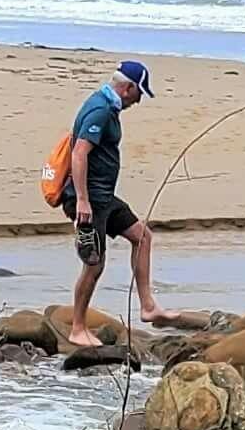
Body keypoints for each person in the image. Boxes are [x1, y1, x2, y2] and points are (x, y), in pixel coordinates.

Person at [60, 55, 173, 346]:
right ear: (128, 88)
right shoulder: (99, 110)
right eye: (139, 94)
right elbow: (79, 153)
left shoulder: (108, 107)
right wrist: (82, 201)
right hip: (89, 200)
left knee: (142, 236)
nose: (139, 101)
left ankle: (148, 307)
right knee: (94, 264)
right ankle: (78, 328)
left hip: (105, 198)